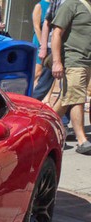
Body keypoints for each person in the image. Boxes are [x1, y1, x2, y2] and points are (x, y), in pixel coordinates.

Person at [50, 0, 91, 154]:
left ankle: (44, 128)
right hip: (74, 60)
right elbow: (56, 33)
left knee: (67, 98)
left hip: (87, 62)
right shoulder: (71, 4)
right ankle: (82, 140)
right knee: (77, 98)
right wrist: (56, 62)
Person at [32, 1, 51, 82]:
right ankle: (24, 87)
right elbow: (36, 27)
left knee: (49, 71)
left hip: (51, 41)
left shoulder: (56, 5)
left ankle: (47, 93)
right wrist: (42, 43)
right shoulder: (39, 6)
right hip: (40, 41)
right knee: (38, 70)